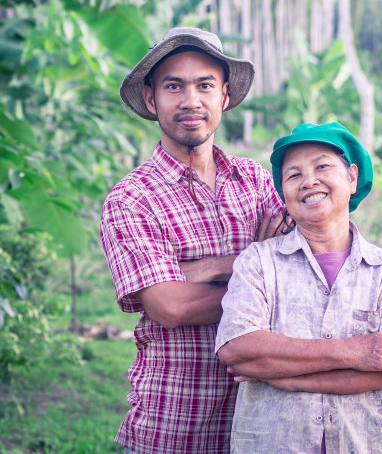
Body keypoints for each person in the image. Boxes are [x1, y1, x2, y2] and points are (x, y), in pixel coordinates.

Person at [99, 27, 287, 453]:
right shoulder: (132, 200)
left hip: (264, 419)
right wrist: (259, 266)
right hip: (176, 423)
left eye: (204, 85)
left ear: (224, 97)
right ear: (152, 99)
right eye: (173, 86)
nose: (190, 101)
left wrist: (209, 268)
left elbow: (305, 264)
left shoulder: (256, 182)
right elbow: (171, 307)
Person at [215, 122, 382, 453]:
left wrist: (287, 378)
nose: (309, 180)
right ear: (284, 193)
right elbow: (237, 351)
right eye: (293, 175)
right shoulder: (257, 262)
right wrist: (359, 351)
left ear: (352, 178)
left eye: (322, 166)